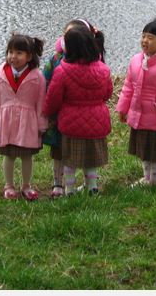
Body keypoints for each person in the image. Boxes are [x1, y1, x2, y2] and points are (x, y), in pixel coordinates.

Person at [43, 27, 112, 196]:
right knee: (91, 159)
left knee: (70, 160)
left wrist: (47, 113)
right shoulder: (103, 69)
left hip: (71, 122)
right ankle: (92, 187)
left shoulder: (62, 71)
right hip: (97, 121)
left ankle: (70, 189)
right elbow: (108, 93)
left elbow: (53, 99)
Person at [116, 18, 156, 186]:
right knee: (144, 149)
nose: (145, 41)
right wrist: (123, 108)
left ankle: (155, 181)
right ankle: (147, 178)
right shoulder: (136, 60)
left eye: (151, 37)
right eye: (144, 36)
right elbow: (128, 86)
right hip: (139, 115)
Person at [0, 34, 47, 200]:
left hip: (28, 123)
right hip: (6, 122)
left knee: (27, 155)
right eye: (10, 52)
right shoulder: (0, 75)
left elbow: (41, 103)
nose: (13, 56)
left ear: (29, 56)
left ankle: (26, 185)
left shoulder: (37, 77)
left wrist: (42, 126)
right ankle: (9, 185)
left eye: (19, 53)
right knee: (9, 155)